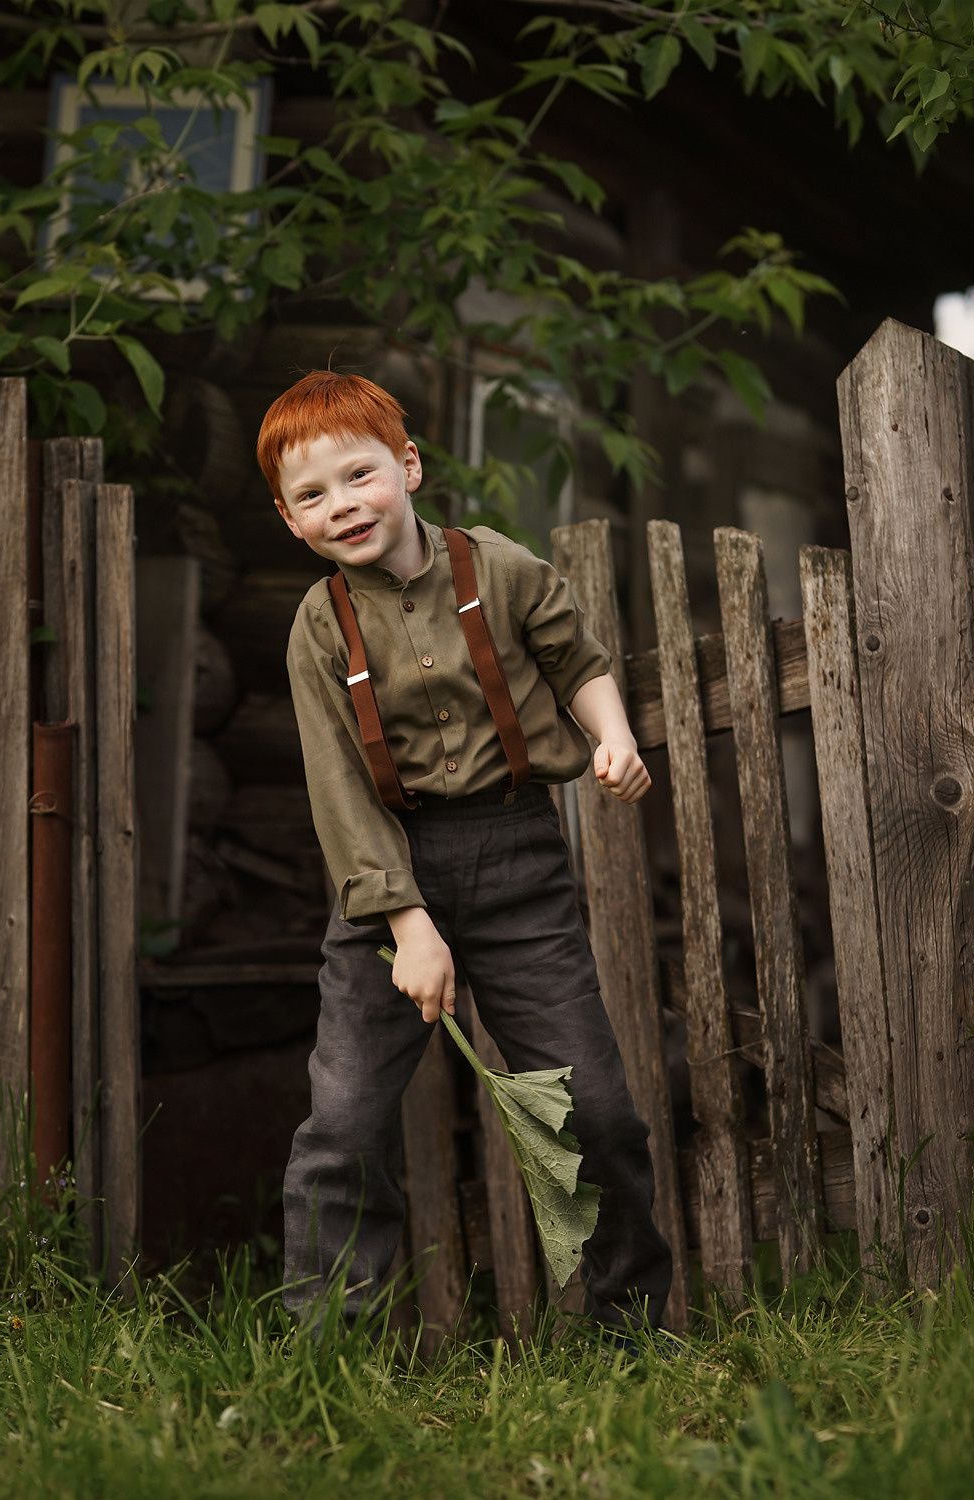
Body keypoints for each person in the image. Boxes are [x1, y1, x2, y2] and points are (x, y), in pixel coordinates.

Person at [256, 369, 673, 1336]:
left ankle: (635, 1329)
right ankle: (325, 1351)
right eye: (310, 496)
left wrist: (613, 738)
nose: (342, 507)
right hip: (385, 878)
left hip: (519, 860)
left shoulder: (500, 567)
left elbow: (578, 662)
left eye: (357, 476)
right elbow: (338, 790)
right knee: (346, 1121)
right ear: (289, 521)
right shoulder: (319, 628)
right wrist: (408, 925)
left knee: (594, 1110)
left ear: (407, 467)